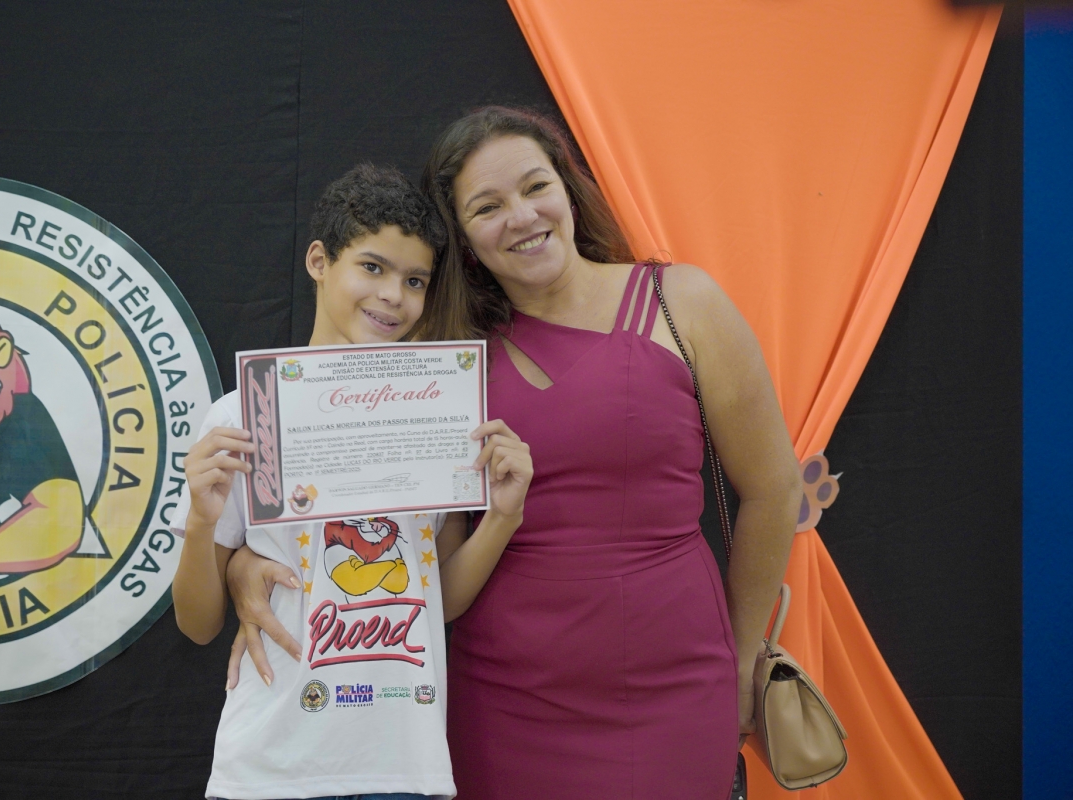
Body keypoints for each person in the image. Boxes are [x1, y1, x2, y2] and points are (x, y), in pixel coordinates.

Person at [228, 107, 801, 799]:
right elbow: (365, 516)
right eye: (488, 207)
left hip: (677, 687)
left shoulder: (682, 303)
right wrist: (241, 563)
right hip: (502, 702)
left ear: (568, 190)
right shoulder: (436, 358)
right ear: (463, 238)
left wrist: (743, 658)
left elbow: (773, 490)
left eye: (535, 187)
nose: (522, 217)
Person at [170, 163, 533, 800]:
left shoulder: (441, 414)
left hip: (402, 766)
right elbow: (197, 624)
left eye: (414, 280)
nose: (394, 295)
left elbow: (439, 600)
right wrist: (202, 522)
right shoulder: (243, 416)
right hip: (270, 767)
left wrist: (502, 517)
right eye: (372, 267)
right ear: (319, 260)